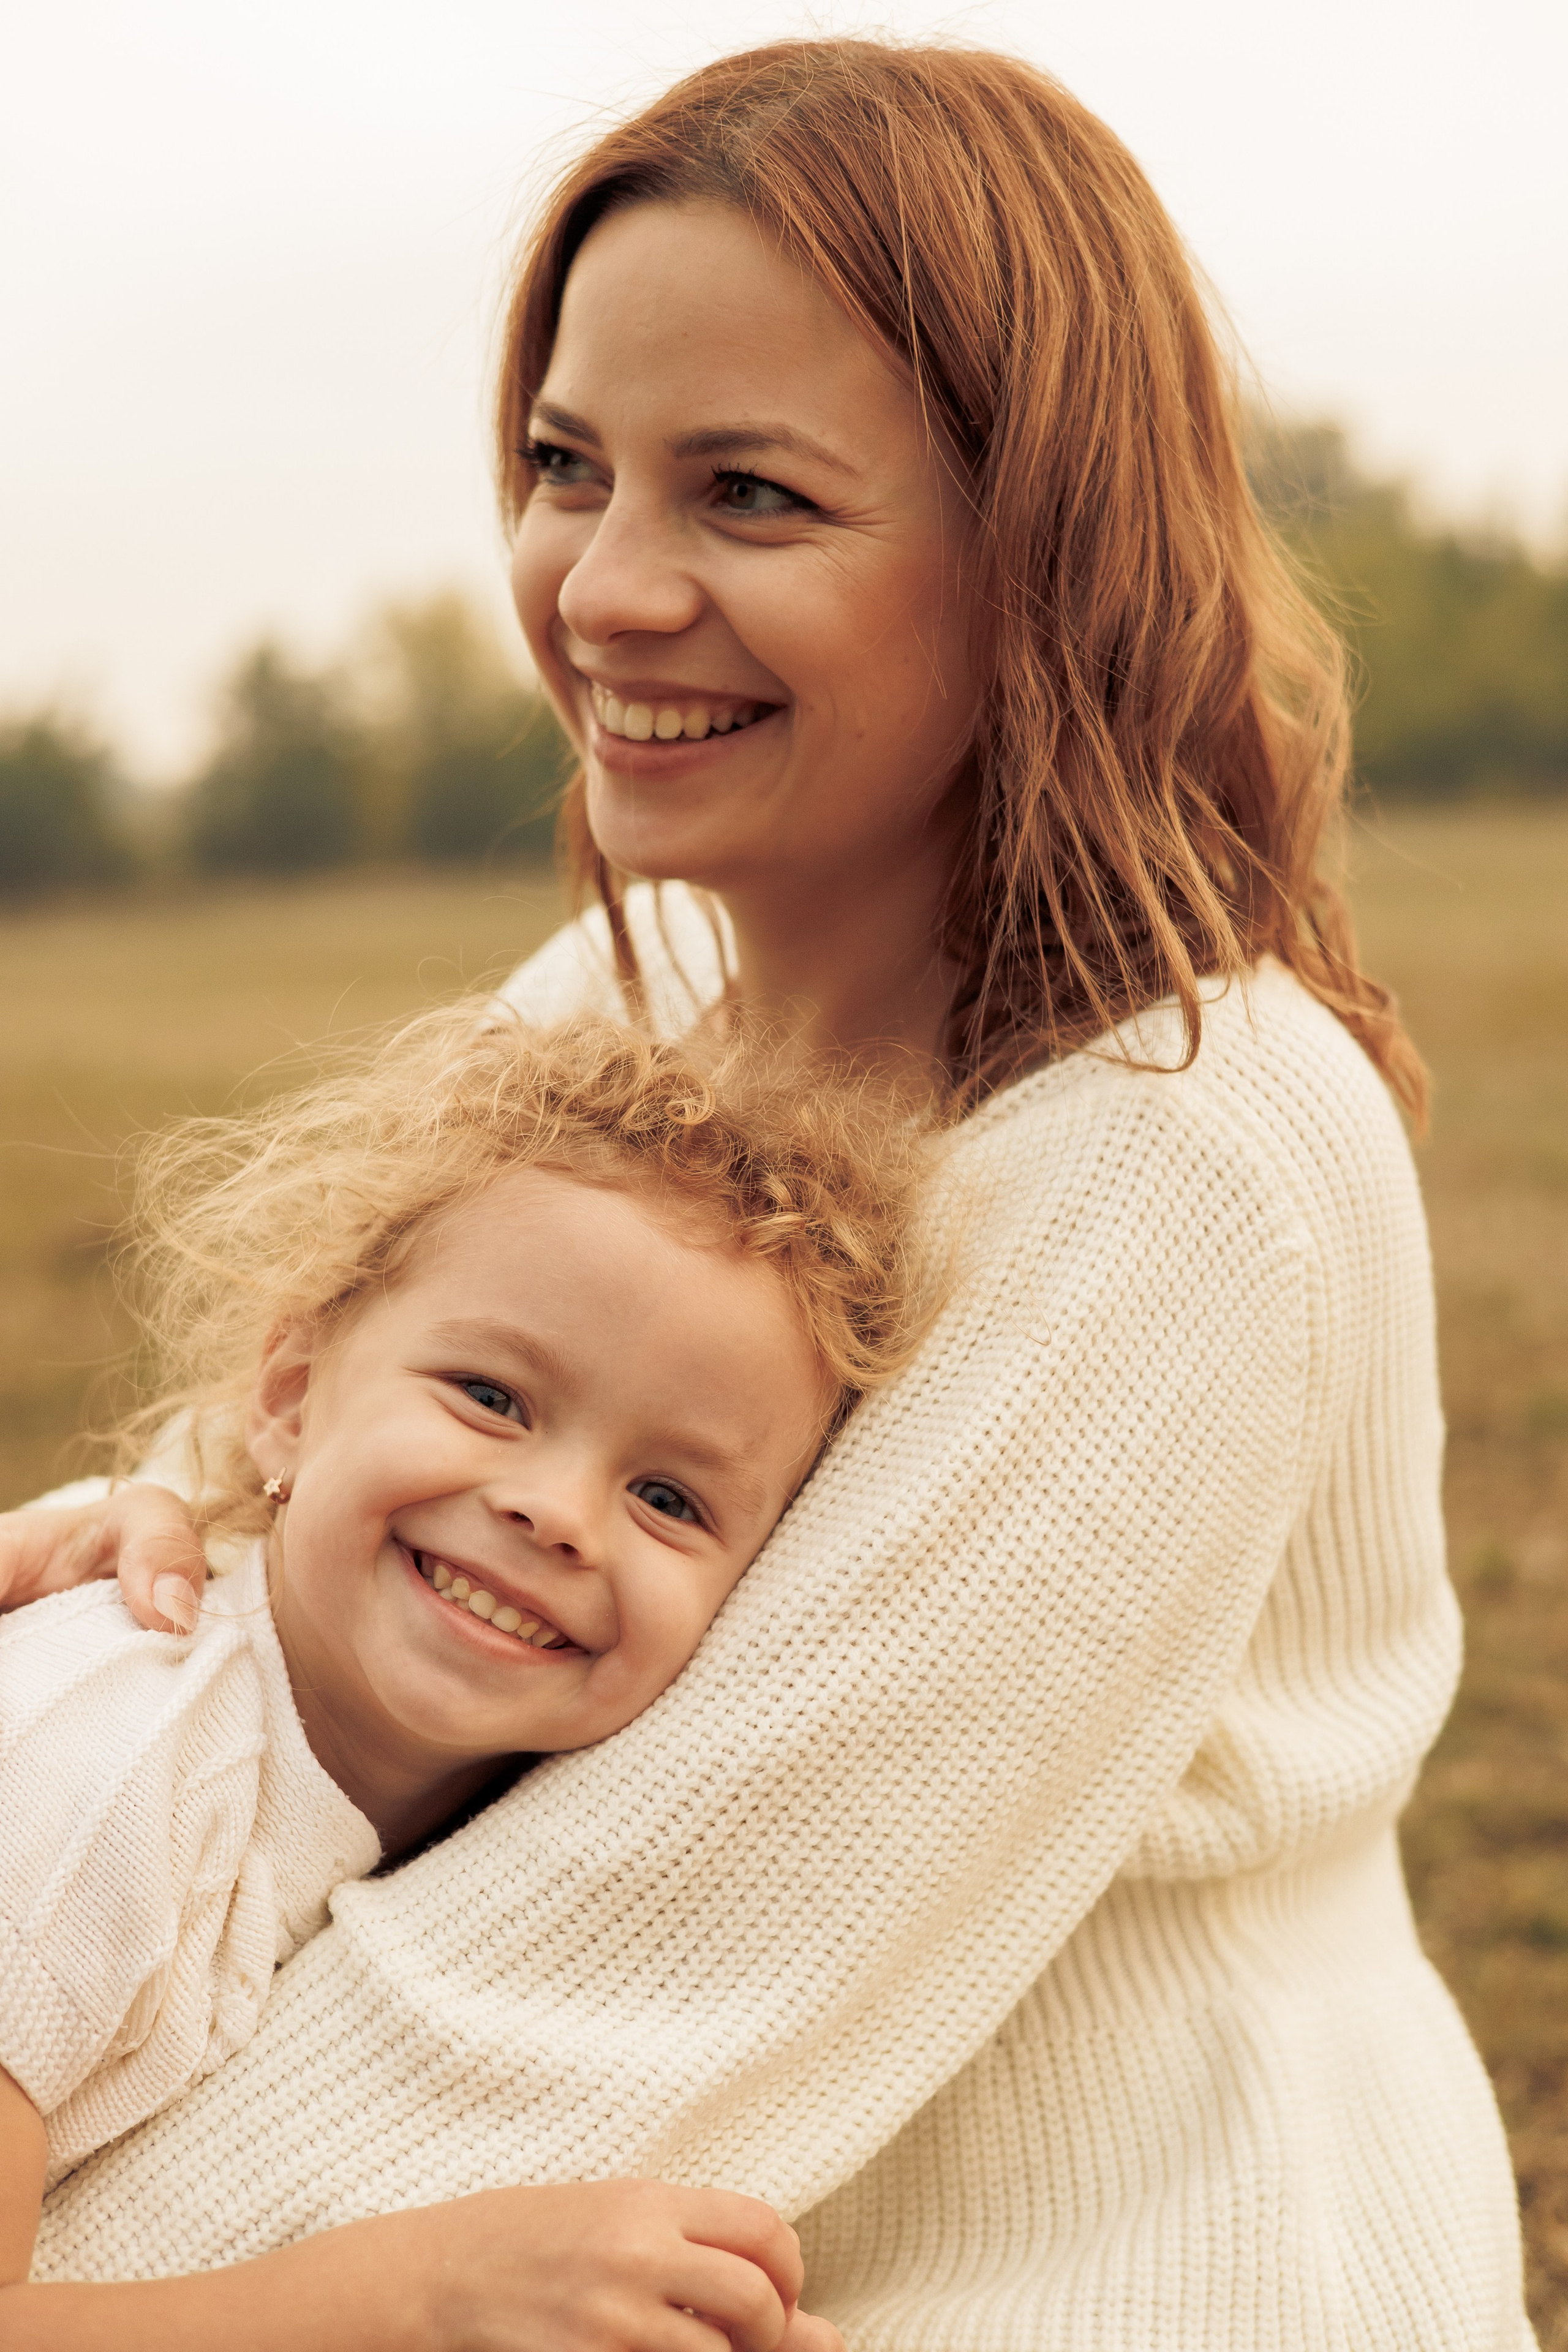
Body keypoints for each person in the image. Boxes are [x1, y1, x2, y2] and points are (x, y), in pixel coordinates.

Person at [0, 37, 1535, 2351]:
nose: (604, 589)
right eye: (565, 466)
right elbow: (265, 1567)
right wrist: (157, 1562)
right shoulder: (642, 989)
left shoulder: (1195, 1153)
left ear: (1039, 558)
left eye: (749, 495)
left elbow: (600, 1982)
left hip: (1110, 2275)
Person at [1, 1005, 919, 2348]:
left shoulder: (496, 1821)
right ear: (290, 1398)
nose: (558, 1512)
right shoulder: (92, 1779)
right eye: (493, 1397)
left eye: (668, 1497)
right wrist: (419, 2298)